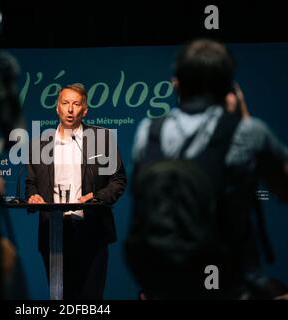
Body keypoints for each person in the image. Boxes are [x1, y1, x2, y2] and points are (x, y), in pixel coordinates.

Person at [127, 39, 288, 299]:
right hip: (230, 283)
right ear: (229, 87)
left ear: (176, 82)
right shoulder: (248, 131)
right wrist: (242, 116)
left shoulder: (149, 130)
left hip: (162, 283)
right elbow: (283, 190)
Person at [25, 83, 127, 300]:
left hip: (91, 230)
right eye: (65, 103)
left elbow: (118, 180)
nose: (70, 109)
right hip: (54, 232)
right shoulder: (40, 144)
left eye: (76, 104)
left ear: (84, 110)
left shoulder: (101, 139)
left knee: (91, 299)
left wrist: (98, 198)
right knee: (61, 298)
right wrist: (33, 197)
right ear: (57, 108)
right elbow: (30, 184)